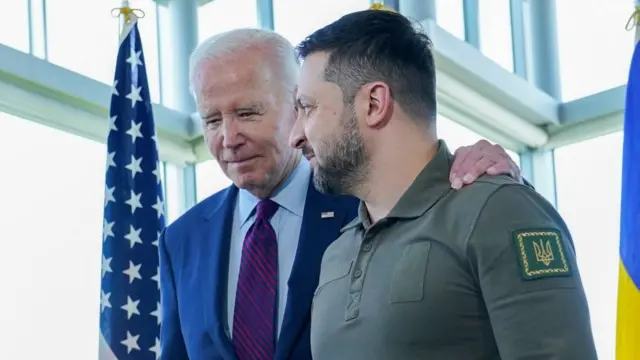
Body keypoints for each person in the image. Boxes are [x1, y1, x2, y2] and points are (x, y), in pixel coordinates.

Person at [159, 27, 523, 360]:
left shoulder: (372, 203)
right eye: (211, 120)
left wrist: (495, 176)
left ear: (297, 106)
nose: (228, 138)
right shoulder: (182, 240)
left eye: (248, 113)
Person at [290, 9, 598, 360]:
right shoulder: (337, 252)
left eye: (307, 108)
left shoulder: (497, 211)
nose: (295, 135)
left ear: (374, 104)